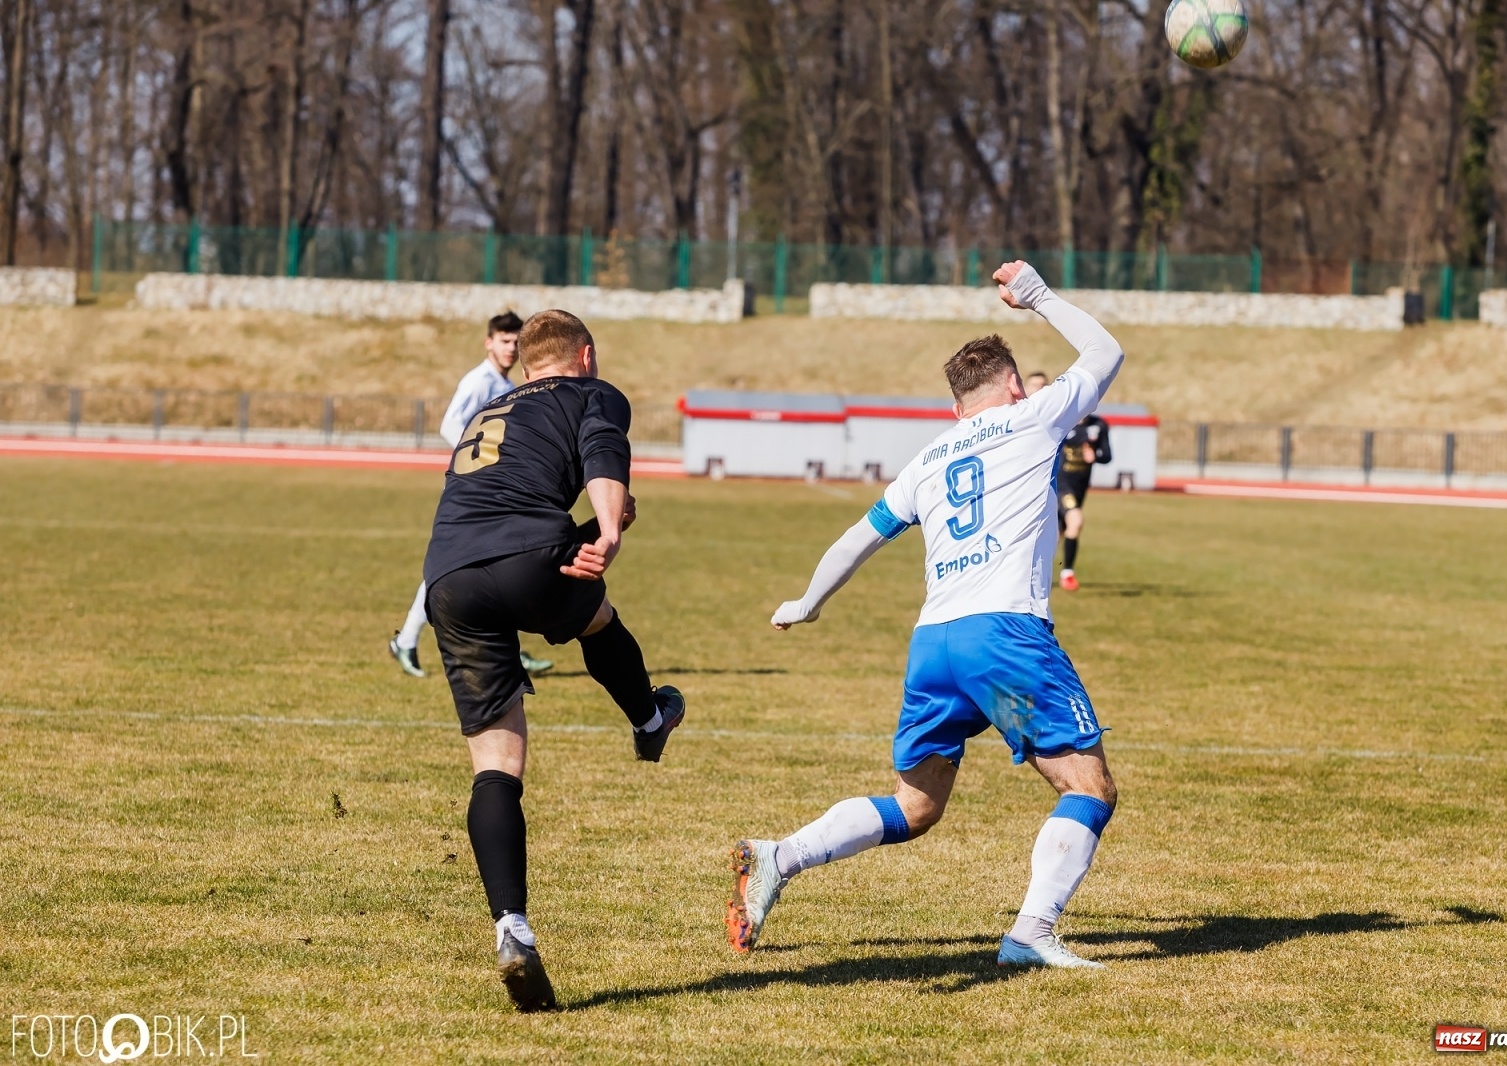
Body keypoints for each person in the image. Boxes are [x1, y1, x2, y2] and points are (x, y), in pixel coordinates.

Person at [726, 261, 1124, 971]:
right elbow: (1105, 353)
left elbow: (859, 536)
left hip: (934, 643)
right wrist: (1036, 297)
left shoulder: (929, 456)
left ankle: (777, 857)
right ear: (1010, 387)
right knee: (1088, 786)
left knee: (916, 806)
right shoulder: (1031, 417)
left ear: (954, 408)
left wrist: (807, 603)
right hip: (1003, 636)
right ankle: (1031, 931)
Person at [423, 309, 685, 1011]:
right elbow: (604, 453)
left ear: (527, 362)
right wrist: (607, 528)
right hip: (526, 558)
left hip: (447, 579)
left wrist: (575, 532)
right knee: (597, 615)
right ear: (585, 356)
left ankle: (511, 926)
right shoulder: (593, 393)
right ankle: (649, 716)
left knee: (496, 767)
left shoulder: (491, 406)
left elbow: (498, 504)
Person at [389, 311, 554, 679]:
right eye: (505, 341)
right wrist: (478, 458)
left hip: (494, 489)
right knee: (459, 564)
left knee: (493, 561)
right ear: (489, 342)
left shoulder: (505, 383)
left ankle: (508, 650)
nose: (511, 349)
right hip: (475, 489)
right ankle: (407, 639)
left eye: (516, 342)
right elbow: (449, 423)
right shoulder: (479, 381)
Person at [1024, 371, 1109, 592]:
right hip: (1060, 484)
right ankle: (1068, 574)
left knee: (1057, 533)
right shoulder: (1058, 421)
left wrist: (1096, 456)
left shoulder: (1098, 426)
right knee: (1076, 521)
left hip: (1080, 487)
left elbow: (1107, 455)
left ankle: (1029, 574)